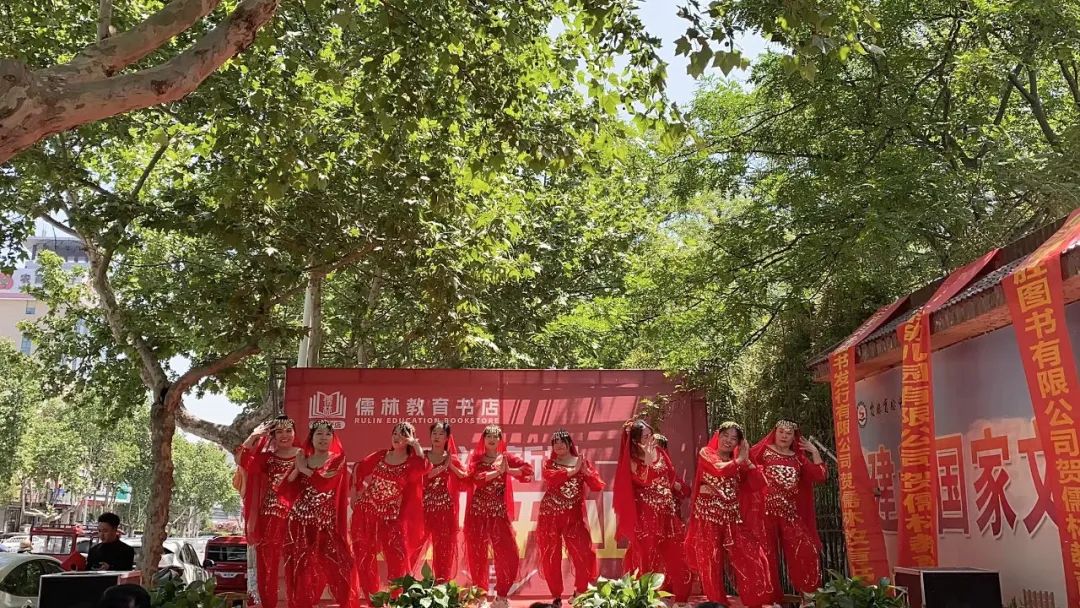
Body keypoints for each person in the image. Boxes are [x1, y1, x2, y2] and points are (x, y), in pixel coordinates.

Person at [684, 422, 772, 607]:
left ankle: (754, 602)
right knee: (711, 563)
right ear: (718, 436)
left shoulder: (740, 461)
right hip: (708, 518)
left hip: (733, 519)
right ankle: (717, 603)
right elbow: (719, 469)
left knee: (751, 557)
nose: (728, 441)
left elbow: (759, 483)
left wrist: (748, 461)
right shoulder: (707, 453)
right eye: (725, 436)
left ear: (739, 443)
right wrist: (739, 460)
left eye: (734, 438)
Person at [282, 421, 360, 608]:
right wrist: (297, 468)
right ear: (311, 438)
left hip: (326, 526)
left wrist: (304, 469)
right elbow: (286, 486)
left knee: (342, 567)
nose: (323, 438)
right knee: (303, 572)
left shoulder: (337, 459)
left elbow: (325, 483)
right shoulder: (303, 459)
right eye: (319, 434)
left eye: (327, 434)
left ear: (333, 438)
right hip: (301, 524)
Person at [750, 420, 827, 607]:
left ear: (794, 437)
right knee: (765, 556)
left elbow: (820, 476)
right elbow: (744, 466)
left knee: (806, 551)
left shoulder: (798, 458)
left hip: (790, 513)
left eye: (789, 433)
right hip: (765, 513)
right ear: (775, 433)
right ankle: (768, 600)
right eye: (781, 432)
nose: (784, 436)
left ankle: (808, 597)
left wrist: (814, 452)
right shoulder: (763, 451)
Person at [613, 419, 691, 603]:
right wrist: (647, 462)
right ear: (634, 441)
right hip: (646, 516)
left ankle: (681, 599)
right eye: (645, 437)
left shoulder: (660, 452)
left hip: (668, 514)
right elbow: (644, 481)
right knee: (647, 560)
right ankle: (644, 601)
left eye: (650, 434)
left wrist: (678, 488)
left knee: (678, 557)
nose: (650, 439)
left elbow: (670, 474)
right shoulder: (632, 461)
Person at [352, 422, 429, 596]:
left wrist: (416, 445)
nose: (397, 437)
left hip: (390, 517)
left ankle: (396, 600)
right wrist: (355, 491)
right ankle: (373, 600)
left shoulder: (411, 463)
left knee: (398, 561)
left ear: (409, 439)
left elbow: (424, 467)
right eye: (395, 433)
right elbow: (359, 468)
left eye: (403, 435)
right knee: (365, 558)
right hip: (366, 513)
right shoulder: (381, 455)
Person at [464, 425, 533, 607]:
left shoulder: (506, 458)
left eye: (496, 436)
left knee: (508, 554)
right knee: (477, 555)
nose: (492, 439)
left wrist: (509, 470)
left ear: (501, 440)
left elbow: (528, 470)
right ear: (483, 439)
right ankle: (480, 596)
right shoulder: (477, 458)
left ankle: (501, 596)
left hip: (498, 514)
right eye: (489, 436)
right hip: (478, 513)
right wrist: (498, 472)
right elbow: (476, 478)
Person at [536, 429, 605, 607]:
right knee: (551, 556)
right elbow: (551, 478)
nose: (559, 445)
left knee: (584, 553)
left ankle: (580, 591)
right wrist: (573, 471)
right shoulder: (550, 464)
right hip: (550, 516)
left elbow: (597, 486)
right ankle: (556, 596)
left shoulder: (581, 462)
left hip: (573, 518)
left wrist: (586, 473)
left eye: (562, 442)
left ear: (569, 444)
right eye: (555, 443)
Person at [238, 415, 301, 608]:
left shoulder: (304, 456)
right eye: (279, 432)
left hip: (297, 518)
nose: (284, 435)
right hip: (270, 518)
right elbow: (242, 459)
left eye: (288, 431)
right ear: (272, 436)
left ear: (295, 433)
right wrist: (254, 436)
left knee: (298, 567)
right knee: (268, 567)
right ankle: (268, 604)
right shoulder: (267, 459)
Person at [422, 421, 468, 582]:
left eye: (441, 434)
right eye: (434, 433)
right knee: (414, 547)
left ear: (447, 438)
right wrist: (442, 468)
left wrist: (451, 466)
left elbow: (466, 479)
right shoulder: (422, 457)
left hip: (445, 511)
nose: (437, 436)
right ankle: (405, 586)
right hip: (423, 509)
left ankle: (441, 585)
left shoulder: (452, 459)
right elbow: (419, 477)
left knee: (443, 550)